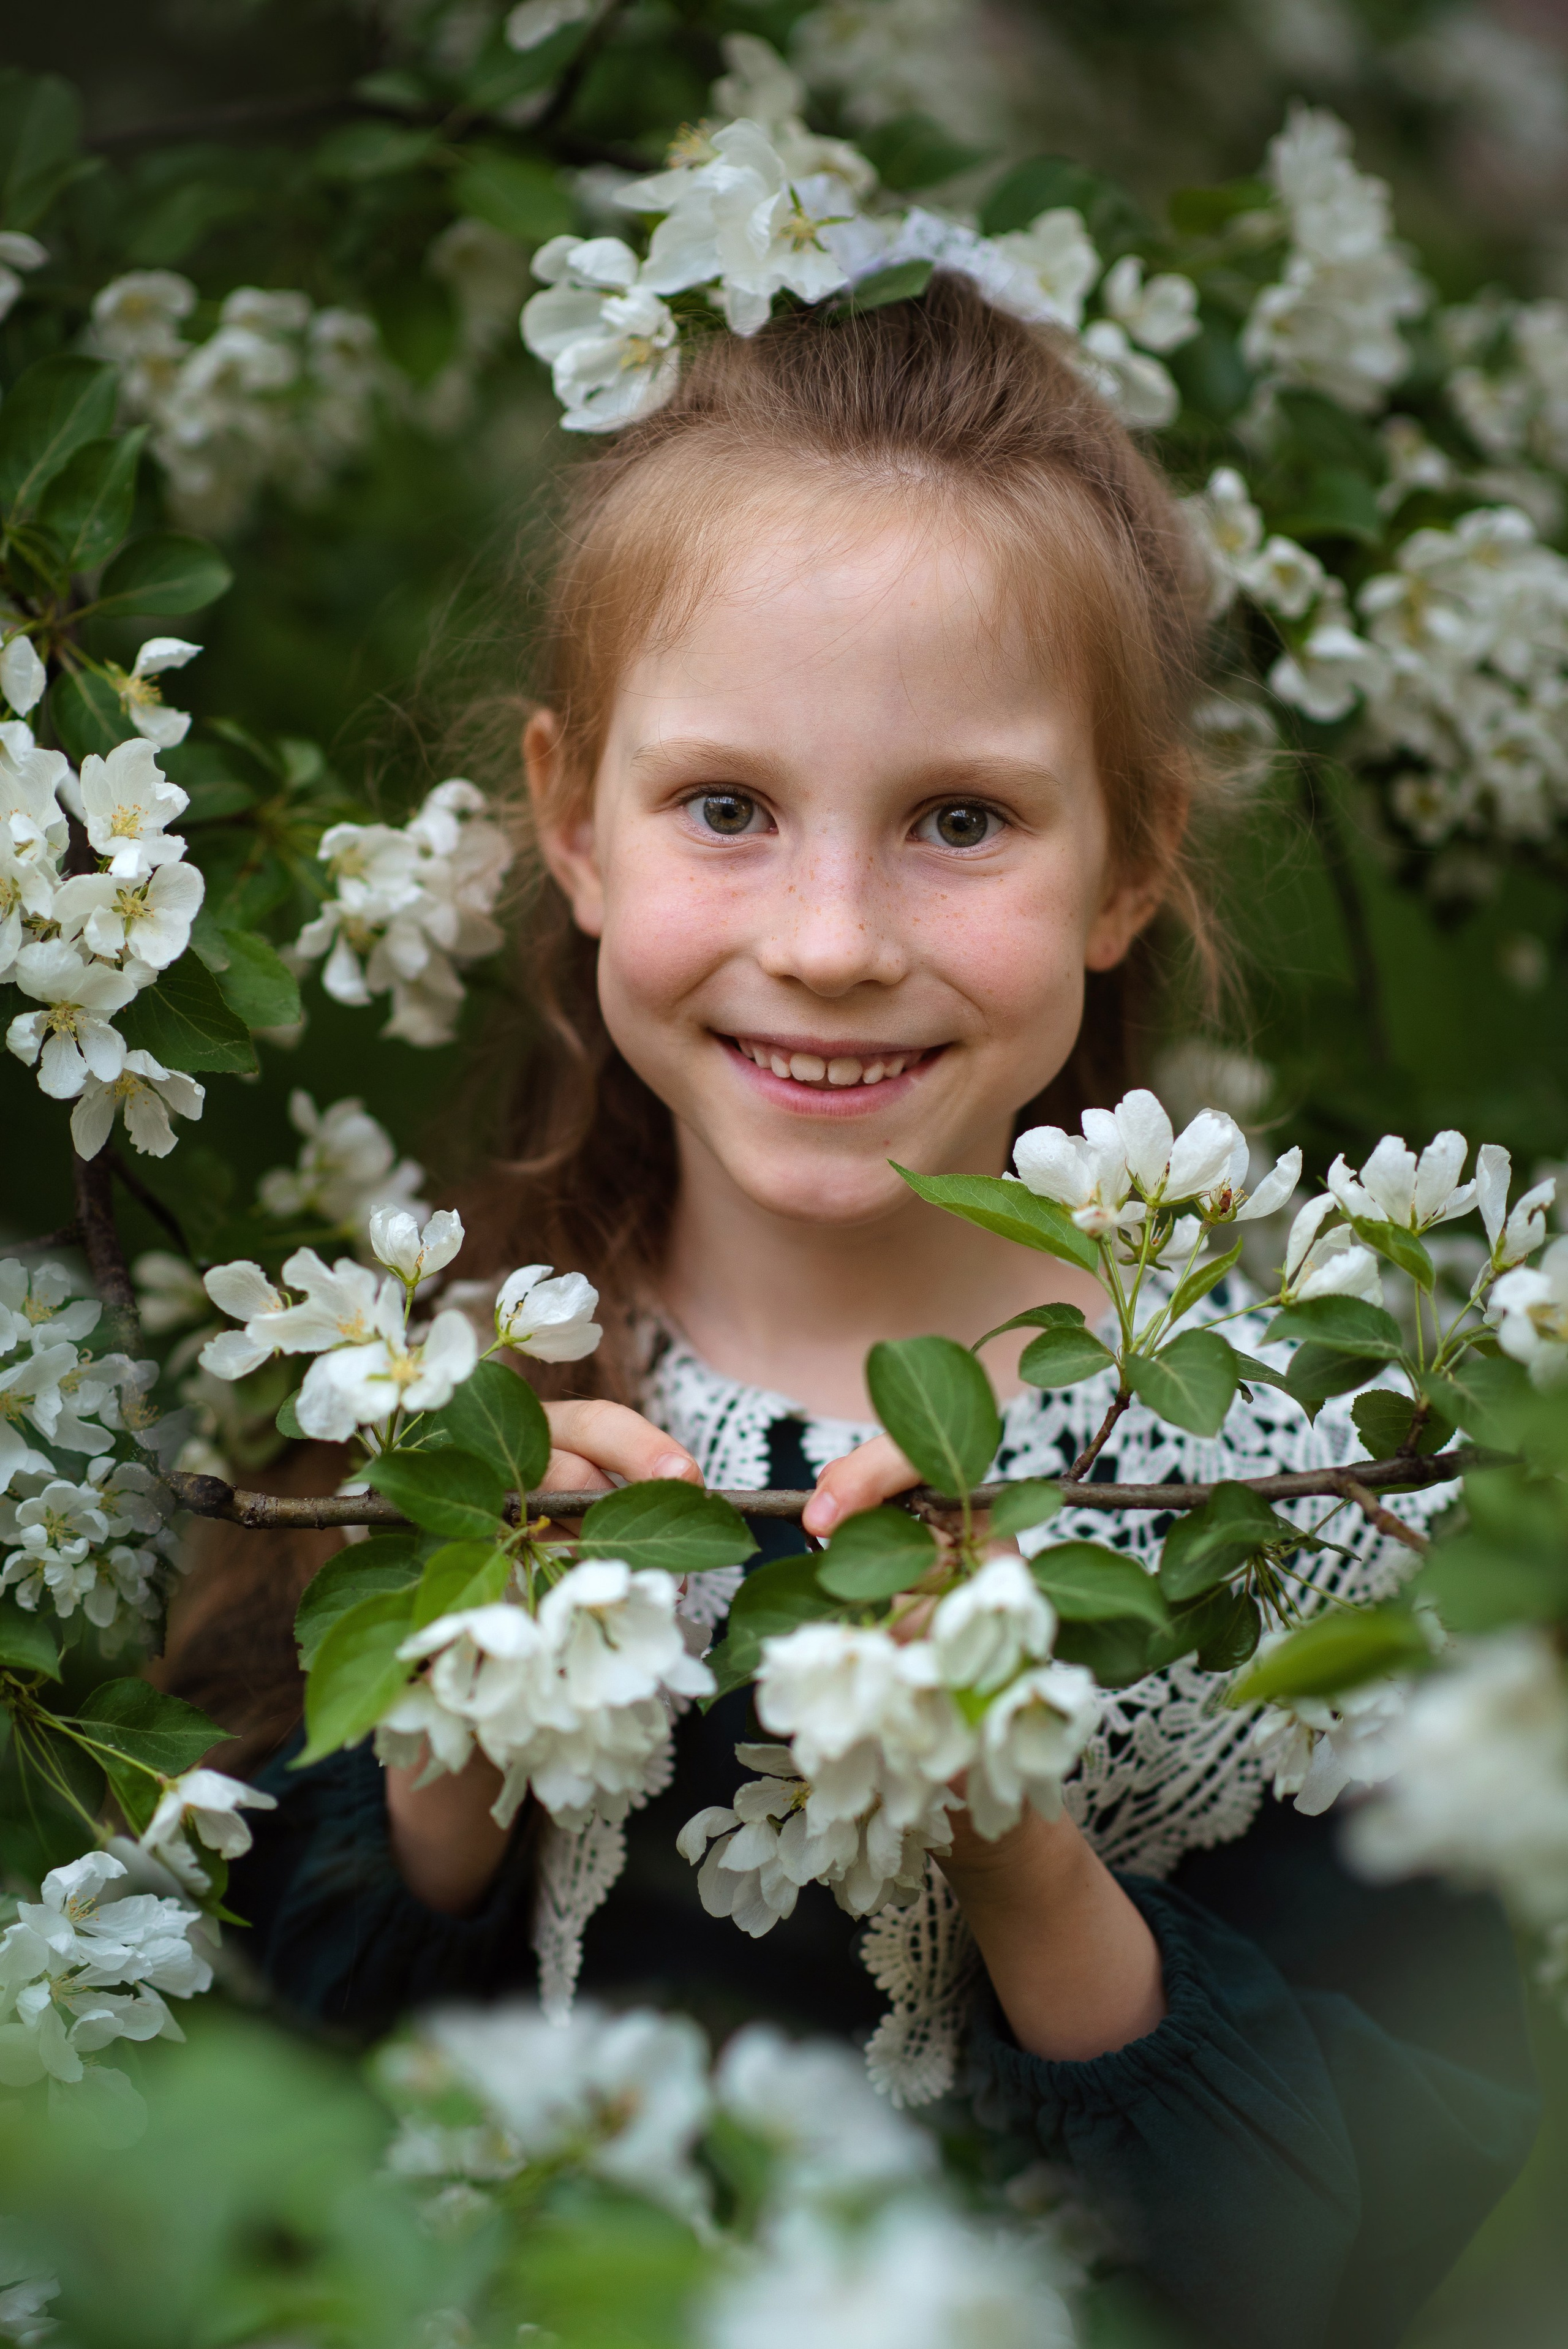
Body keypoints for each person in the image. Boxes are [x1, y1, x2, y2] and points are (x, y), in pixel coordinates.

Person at [181, 277, 1535, 2349]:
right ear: (573, 822)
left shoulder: (1297, 1501)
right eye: (727, 806)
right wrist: (451, 1740)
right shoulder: (482, 1384)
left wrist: (1022, 1848)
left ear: (1129, 857)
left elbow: (1344, 2234)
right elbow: (263, 2077)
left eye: (959, 820)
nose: (827, 942)